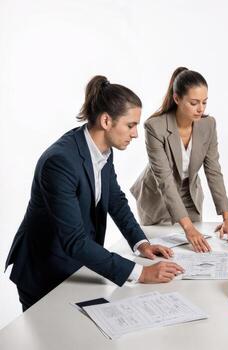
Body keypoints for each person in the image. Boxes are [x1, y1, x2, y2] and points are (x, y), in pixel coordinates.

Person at [5, 76, 184, 311]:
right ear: (106, 121)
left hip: (75, 266)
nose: (135, 134)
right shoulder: (60, 162)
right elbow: (74, 241)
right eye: (131, 125)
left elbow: (115, 200)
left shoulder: (104, 149)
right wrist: (140, 273)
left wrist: (141, 243)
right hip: (44, 272)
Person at [131, 67, 228, 252]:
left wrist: (227, 218)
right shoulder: (154, 127)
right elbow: (165, 180)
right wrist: (188, 228)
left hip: (190, 192)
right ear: (177, 99)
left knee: (193, 248)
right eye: (194, 103)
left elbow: (214, 171)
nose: (201, 109)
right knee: (162, 249)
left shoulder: (208, 125)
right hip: (157, 195)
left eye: (204, 102)